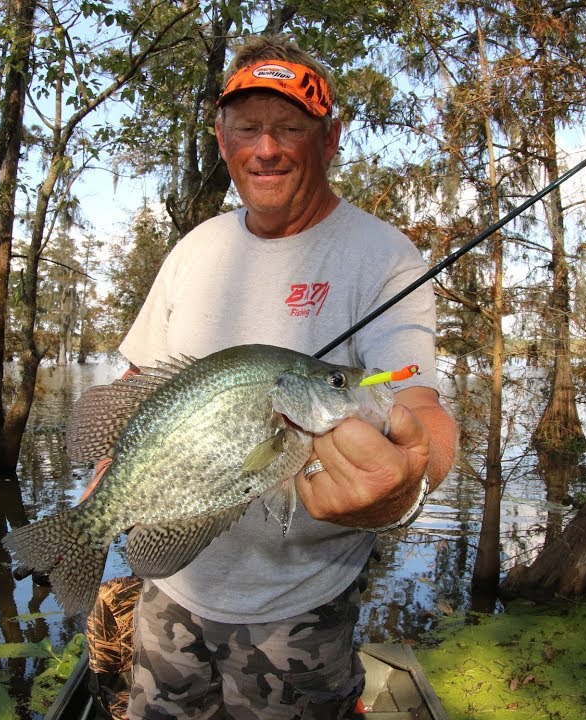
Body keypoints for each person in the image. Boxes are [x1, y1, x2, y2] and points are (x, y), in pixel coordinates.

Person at [93, 34, 459, 720]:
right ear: (221, 136)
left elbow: (418, 404)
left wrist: (407, 481)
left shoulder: (385, 258)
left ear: (330, 139)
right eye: (248, 128)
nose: (267, 148)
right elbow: (140, 381)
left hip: (301, 607)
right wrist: (104, 501)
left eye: (290, 127)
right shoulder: (194, 250)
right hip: (171, 589)